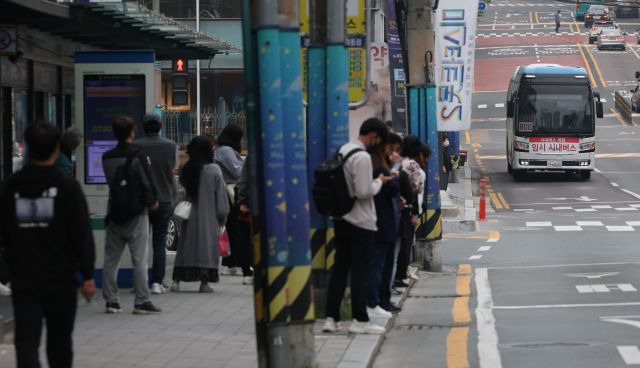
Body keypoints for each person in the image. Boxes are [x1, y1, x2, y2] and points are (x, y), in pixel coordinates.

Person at [0, 122, 96, 368]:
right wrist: (86, 274)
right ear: (57, 148)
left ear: (28, 147)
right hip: (60, 279)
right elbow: (82, 233)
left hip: (24, 278)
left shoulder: (11, 187)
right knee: (60, 341)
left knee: (26, 339)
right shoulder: (68, 187)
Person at [322, 118, 391, 335]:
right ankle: (359, 319)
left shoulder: (342, 151)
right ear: (372, 135)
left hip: (341, 219)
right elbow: (363, 191)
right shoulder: (361, 157)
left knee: (339, 270)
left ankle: (331, 318)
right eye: (378, 140)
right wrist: (380, 181)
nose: (377, 144)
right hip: (361, 222)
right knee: (361, 271)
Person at [102, 116, 161, 315]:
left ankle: (111, 301)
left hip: (115, 212)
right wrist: (152, 201)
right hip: (137, 214)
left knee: (111, 259)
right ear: (131, 133)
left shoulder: (106, 157)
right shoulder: (138, 155)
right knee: (139, 259)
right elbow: (146, 181)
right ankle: (141, 301)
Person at [171, 136, 230, 292]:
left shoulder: (186, 168)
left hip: (189, 216)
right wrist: (223, 215)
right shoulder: (214, 170)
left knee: (185, 247)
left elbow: (180, 193)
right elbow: (221, 199)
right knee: (207, 248)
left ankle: (176, 281)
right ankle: (204, 283)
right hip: (209, 217)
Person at [135, 112, 178, 295]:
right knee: (159, 242)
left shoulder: (135, 146)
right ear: (161, 126)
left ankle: (140, 282)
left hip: (141, 201)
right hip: (164, 199)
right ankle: (157, 282)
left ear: (143, 127)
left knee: (139, 243)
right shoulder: (170, 146)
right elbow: (172, 169)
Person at [215, 123, 252, 284]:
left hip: (229, 193)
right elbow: (238, 172)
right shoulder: (226, 151)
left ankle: (230, 263)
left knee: (233, 230)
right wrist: (248, 164)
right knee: (238, 232)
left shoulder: (223, 150)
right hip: (231, 193)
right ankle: (240, 266)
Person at [366, 141, 399, 319]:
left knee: (378, 265)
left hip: (375, 222)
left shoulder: (371, 166)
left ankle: (377, 301)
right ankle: (375, 301)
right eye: (389, 148)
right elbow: (393, 190)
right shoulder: (380, 169)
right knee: (379, 266)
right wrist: (391, 177)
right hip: (382, 224)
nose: (391, 152)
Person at [394, 135, 422, 289]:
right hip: (407, 209)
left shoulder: (398, 163)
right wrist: (415, 214)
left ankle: (396, 276)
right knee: (405, 244)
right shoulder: (412, 165)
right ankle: (400, 275)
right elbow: (416, 191)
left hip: (394, 206)